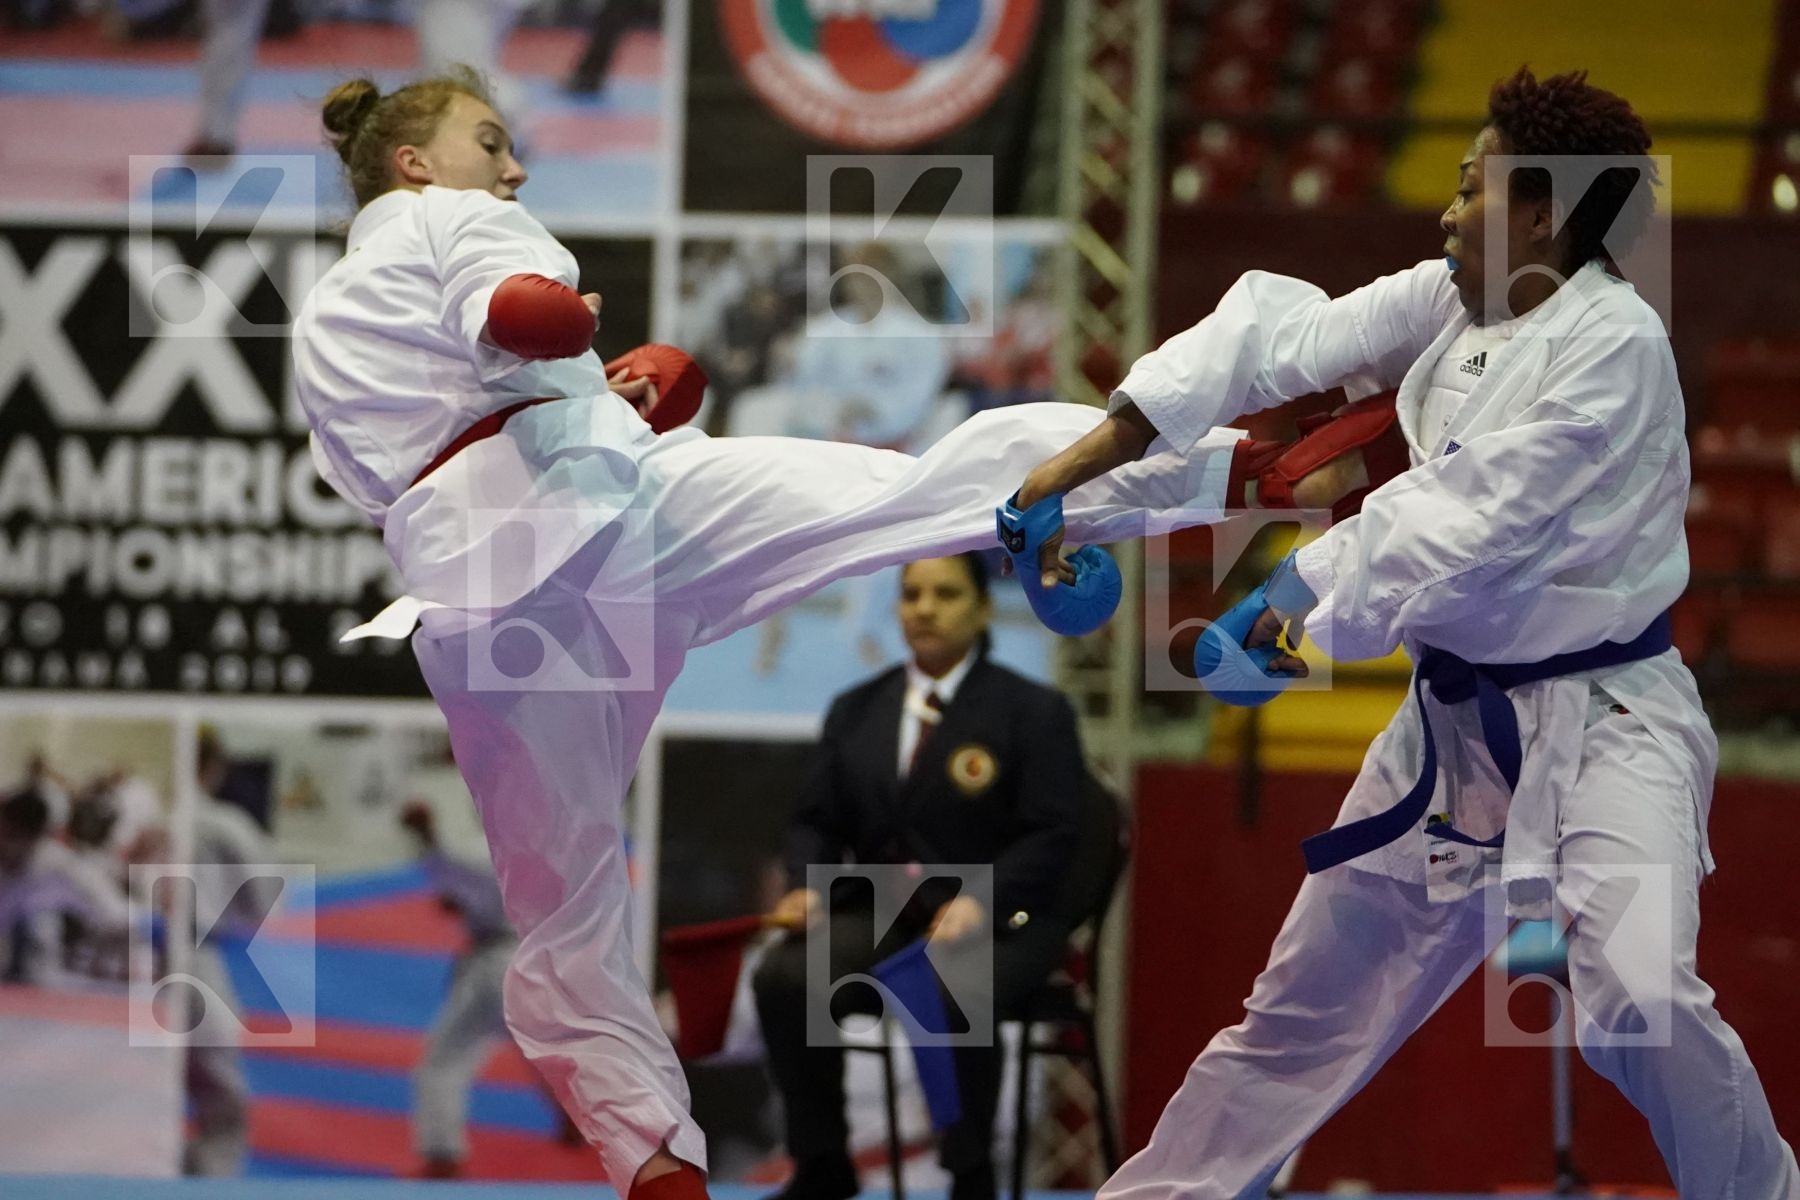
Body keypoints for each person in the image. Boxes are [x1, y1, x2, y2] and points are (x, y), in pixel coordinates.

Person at [290, 66, 1368, 1200]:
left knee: (559, 898)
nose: (513, 168)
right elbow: (511, 314)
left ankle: (650, 1155)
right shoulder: (451, 216)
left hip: (482, 606)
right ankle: (1243, 464)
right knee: (917, 496)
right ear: (414, 162)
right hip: (609, 528)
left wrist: (612, 395)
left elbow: (456, 412)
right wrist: (561, 323)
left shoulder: (327, 318)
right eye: (490, 141)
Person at [1006, 67, 1800, 1198]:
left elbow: (1478, 510)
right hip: (1452, 736)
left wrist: (1286, 598)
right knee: (1299, 1022)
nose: (1447, 210)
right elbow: (1276, 343)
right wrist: (1095, 458)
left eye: (1472, 187)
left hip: (1611, 722)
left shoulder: (1613, 345)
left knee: (1639, 1000)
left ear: (1540, 212)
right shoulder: (1445, 303)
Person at [753, 553, 1082, 1200]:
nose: (924, 608)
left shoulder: (1033, 712)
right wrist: (804, 885)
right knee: (786, 974)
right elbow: (814, 822)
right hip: (886, 912)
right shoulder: (858, 709)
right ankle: (823, 1163)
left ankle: (970, 1174)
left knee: (945, 975)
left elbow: (1055, 835)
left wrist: (981, 901)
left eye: (946, 594)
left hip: (1001, 921)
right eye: (911, 595)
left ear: (983, 609)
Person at [399, 798, 532, 1179]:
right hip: (538, 958)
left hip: (497, 963)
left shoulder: (486, 850)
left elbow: (447, 865)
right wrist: (465, 904)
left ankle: (441, 1153)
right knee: (544, 1049)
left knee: (444, 1058)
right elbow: (476, 892)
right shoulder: (544, 848)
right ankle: (575, 1118)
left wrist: (425, 836)